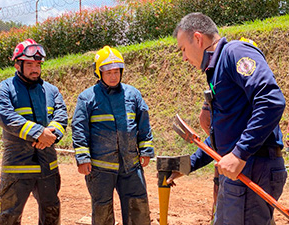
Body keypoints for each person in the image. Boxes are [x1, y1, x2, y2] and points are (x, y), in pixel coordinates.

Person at [167, 12, 287, 225]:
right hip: (239, 171)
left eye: (183, 49)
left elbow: (271, 100)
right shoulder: (216, 70)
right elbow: (224, 135)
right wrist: (186, 166)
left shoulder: (234, 52)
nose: (184, 57)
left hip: (252, 167)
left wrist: (240, 153)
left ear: (198, 38)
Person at [71, 46, 154, 225]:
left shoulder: (133, 95)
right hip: (100, 169)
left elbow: (144, 124)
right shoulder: (87, 98)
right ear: (99, 73)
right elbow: (79, 128)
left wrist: (146, 149)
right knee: (102, 212)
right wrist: (83, 158)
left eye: (117, 71)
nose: (113, 76)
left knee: (138, 208)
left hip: (131, 166)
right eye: (108, 72)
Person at [0, 38, 68, 225]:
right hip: (17, 167)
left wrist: (50, 135)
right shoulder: (3, 89)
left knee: (51, 212)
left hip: (47, 166)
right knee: (8, 216)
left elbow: (61, 117)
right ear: (18, 65)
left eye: (38, 64)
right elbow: (8, 118)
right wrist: (38, 133)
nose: (35, 69)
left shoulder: (51, 91)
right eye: (30, 64)